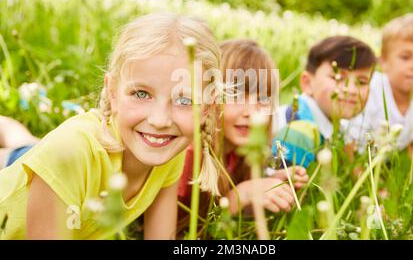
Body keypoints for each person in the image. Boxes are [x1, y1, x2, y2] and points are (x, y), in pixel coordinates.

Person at [0, 13, 221, 239]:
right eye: (141, 93)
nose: (160, 120)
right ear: (113, 91)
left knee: (27, 152)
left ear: (206, 108)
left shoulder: (168, 149)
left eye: (184, 100)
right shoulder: (69, 152)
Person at [177, 39, 309, 236]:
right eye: (236, 95)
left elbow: (230, 218)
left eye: (263, 99)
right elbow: (186, 228)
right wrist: (243, 193)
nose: (252, 112)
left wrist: (269, 183)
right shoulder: (187, 156)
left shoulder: (239, 154)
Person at [345, 13, 413, 168]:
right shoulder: (370, 89)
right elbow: (348, 143)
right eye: (405, 57)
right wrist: (364, 182)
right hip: (357, 157)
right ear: (383, 61)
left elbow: (410, 142)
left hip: (382, 160)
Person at [272, 36, 377, 167]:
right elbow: (284, 183)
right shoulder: (297, 129)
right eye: (337, 77)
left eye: (361, 82)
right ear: (307, 83)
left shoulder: (342, 131)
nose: (351, 90)